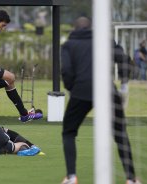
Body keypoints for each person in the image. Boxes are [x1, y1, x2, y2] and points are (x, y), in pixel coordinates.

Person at [60, 17, 141, 184]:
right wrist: (124, 86)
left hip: (81, 91)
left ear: (74, 29)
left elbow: (66, 71)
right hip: (108, 91)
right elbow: (125, 61)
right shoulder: (104, 40)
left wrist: (71, 89)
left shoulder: (68, 45)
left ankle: (71, 177)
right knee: (120, 134)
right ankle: (131, 179)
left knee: (69, 132)